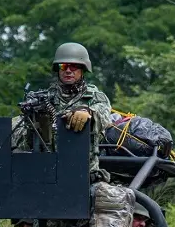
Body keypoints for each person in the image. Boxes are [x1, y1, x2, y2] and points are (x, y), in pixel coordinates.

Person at [12, 42, 113, 183]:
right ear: (58, 69)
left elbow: (105, 116)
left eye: (74, 66)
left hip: (82, 175)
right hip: (43, 173)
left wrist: (88, 112)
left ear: (83, 69)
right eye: (63, 66)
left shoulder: (94, 97)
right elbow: (21, 139)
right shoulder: (44, 98)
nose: (68, 70)